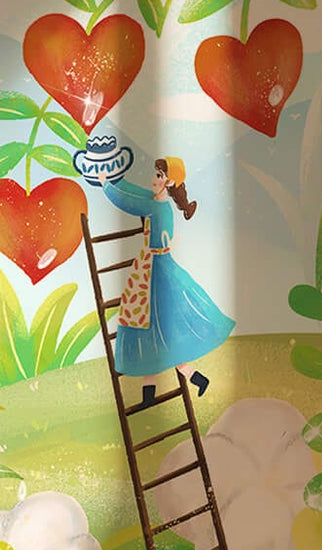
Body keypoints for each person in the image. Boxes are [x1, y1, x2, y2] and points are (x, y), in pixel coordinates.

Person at [86, 155, 235, 404]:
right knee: (155, 337)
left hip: (154, 271)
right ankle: (191, 380)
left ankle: (163, 390)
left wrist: (106, 186)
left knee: (150, 332)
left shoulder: (156, 207)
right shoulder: (158, 203)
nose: (154, 180)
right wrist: (118, 179)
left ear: (169, 181)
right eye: (155, 174)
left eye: (159, 176)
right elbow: (138, 194)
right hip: (156, 266)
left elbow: (129, 203)